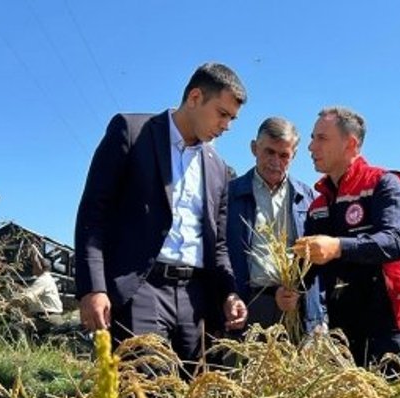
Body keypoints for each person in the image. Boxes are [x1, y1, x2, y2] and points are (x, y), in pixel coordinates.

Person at [74, 62, 248, 377]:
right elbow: (93, 214)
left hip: (196, 301)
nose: (227, 126)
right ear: (195, 97)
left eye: (232, 119)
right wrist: (93, 287)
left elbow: (218, 243)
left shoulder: (219, 169)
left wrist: (229, 293)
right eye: (222, 114)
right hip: (142, 288)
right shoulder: (132, 131)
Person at [295, 106, 400, 378]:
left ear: (350, 144)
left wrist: (337, 247)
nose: (310, 146)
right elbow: (310, 265)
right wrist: (292, 287)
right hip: (343, 330)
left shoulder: (385, 184)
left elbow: (395, 242)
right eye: (312, 137)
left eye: (321, 138)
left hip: (390, 325)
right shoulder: (319, 203)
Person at [225, 117, 323, 331]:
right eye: (269, 152)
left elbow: (318, 260)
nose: (275, 161)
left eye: (284, 155)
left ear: (293, 156)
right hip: (246, 304)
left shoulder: (310, 199)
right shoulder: (228, 195)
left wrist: (305, 297)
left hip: (295, 305)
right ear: (254, 148)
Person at [16, 252, 64, 336]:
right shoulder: (49, 279)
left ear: (39, 266)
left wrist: (7, 305)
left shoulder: (43, 280)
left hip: (47, 319)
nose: (32, 267)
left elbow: (27, 297)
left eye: (34, 265)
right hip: (54, 317)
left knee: (16, 328)